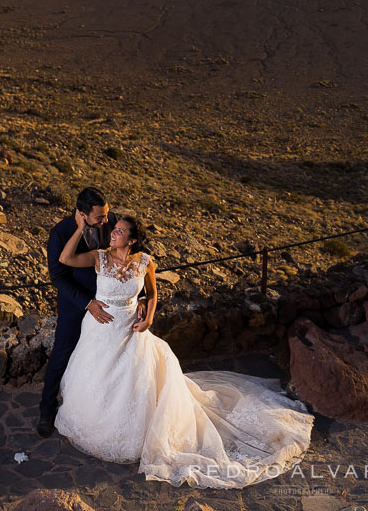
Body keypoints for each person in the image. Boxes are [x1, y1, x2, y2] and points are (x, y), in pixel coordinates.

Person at [54, 212, 313, 488]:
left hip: (132, 330)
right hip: (100, 331)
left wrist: (149, 316)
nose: (114, 233)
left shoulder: (145, 262)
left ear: (133, 239)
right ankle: (98, 427)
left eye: (120, 230)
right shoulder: (99, 256)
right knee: (98, 381)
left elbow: (151, 294)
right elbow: (65, 259)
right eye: (114, 230)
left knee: (133, 385)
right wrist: (80, 229)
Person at [38, 187, 124, 438]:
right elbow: (58, 276)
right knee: (62, 353)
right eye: (99, 217)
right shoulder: (60, 233)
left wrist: (139, 297)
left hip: (111, 301)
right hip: (76, 303)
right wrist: (88, 303)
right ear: (81, 214)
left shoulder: (115, 221)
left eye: (106, 214)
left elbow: (134, 255)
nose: (106, 220)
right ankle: (47, 409)